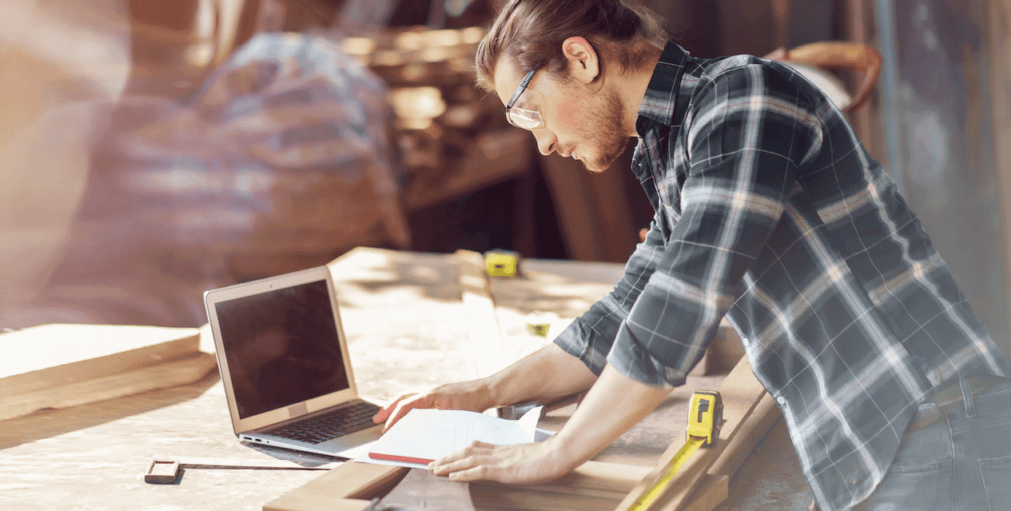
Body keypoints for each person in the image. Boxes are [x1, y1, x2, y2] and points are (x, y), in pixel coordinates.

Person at [370, 1, 1011, 509]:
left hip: (933, 429)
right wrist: (479, 393)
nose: (542, 144)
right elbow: (628, 312)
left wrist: (553, 454)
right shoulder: (676, 148)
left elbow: (681, 305)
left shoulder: (744, 99)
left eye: (530, 112)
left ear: (581, 58)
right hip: (885, 443)